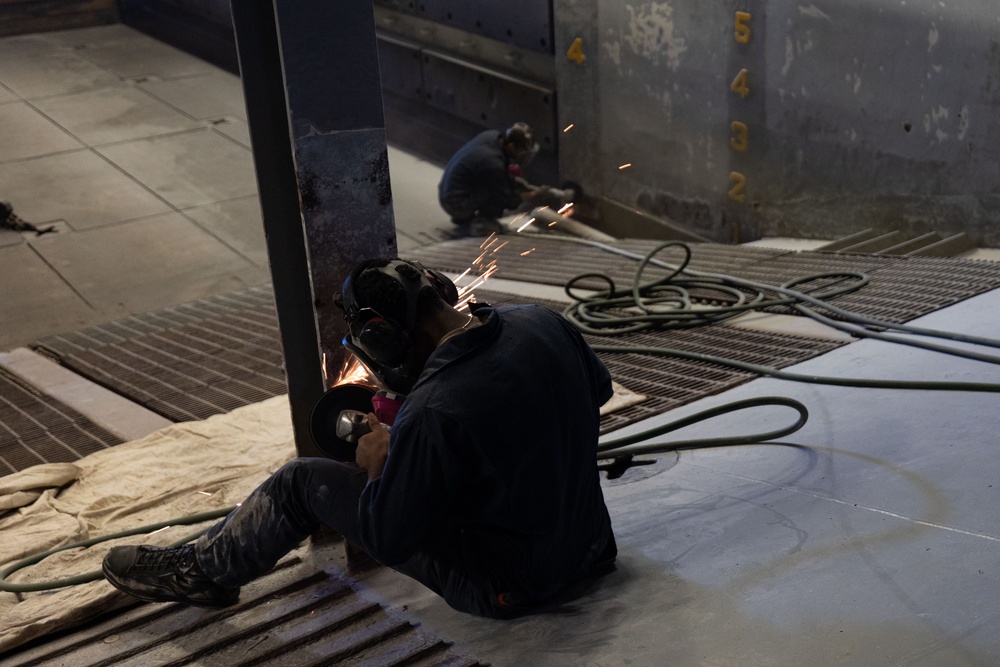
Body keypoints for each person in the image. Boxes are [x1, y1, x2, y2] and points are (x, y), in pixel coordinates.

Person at [102, 258, 617, 618]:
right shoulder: (543, 322)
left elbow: (390, 537)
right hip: (590, 546)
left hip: (511, 587)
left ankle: (203, 572)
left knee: (301, 482)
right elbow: (596, 392)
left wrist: (377, 463)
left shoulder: (433, 410)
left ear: (383, 337)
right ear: (442, 289)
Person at [438, 122, 549, 237]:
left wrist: (516, 183)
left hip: (449, 190)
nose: (524, 156)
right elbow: (507, 199)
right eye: (522, 152)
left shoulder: (493, 136)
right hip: (454, 202)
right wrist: (533, 195)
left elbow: (501, 174)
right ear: (511, 146)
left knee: (494, 184)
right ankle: (481, 224)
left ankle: (465, 216)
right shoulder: (493, 163)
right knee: (495, 197)